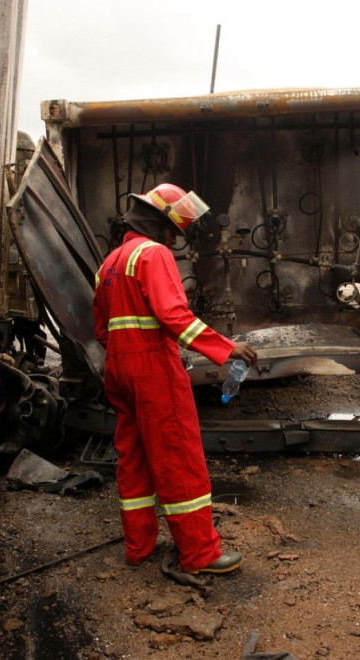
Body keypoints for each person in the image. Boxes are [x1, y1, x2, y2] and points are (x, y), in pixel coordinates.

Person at [92, 182, 257, 575]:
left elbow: (101, 329)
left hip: (118, 369)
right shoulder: (153, 254)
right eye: (175, 229)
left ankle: (138, 547)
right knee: (178, 456)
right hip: (151, 369)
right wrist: (225, 347)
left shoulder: (110, 263)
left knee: (133, 460)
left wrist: (127, 352)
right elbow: (173, 315)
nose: (177, 236)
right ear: (161, 224)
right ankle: (201, 554)